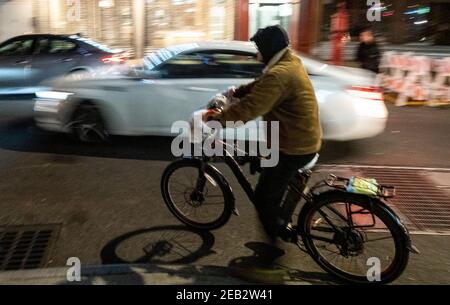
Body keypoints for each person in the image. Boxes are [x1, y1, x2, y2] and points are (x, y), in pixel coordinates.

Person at [204, 25, 322, 242]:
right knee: (263, 164)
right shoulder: (290, 61)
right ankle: (279, 219)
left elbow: (250, 108)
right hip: (294, 139)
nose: (257, 53)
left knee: (263, 200)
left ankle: (271, 258)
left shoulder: (280, 74)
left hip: (294, 147)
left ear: (269, 48)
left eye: (259, 48)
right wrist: (235, 93)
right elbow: (260, 85)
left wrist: (217, 121)